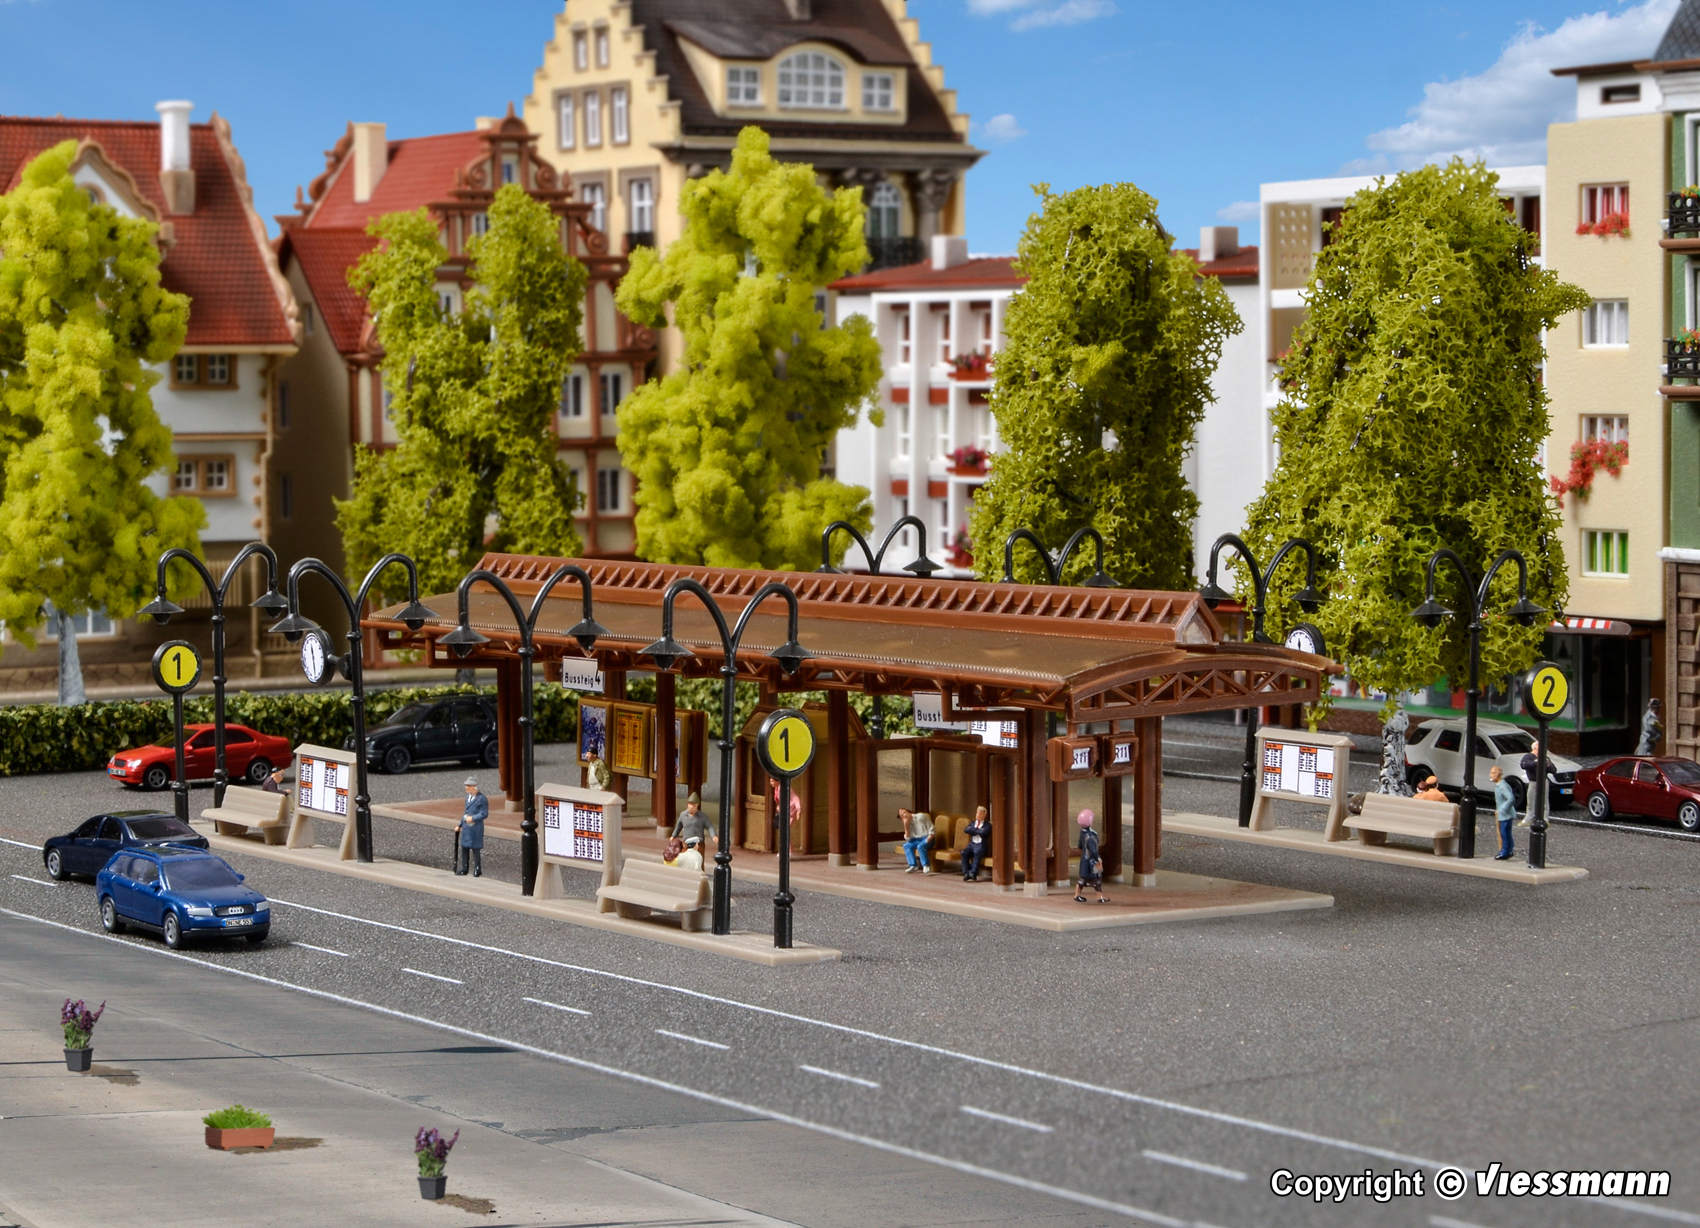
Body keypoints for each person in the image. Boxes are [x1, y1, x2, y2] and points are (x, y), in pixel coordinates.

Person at [1075, 809, 1109, 903]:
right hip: (1091, 862)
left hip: (1084, 860)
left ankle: (1077, 894)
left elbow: (1079, 846)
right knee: (1096, 879)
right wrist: (1097, 858)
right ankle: (1100, 897)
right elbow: (1093, 850)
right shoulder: (1091, 836)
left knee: (1082, 879)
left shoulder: (1083, 833)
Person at [457, 776, 486, 876]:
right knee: (464, 848)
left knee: (475, 849)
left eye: (468, 786)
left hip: (475, 827)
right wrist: (460, 824)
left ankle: (477, 869)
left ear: (474, 787)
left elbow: (484, 814)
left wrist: (473, 818)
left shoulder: (481, 799)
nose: (466, 788)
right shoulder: (467, 798)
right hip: (466, 827)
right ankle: (464, 868)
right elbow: (466, 812)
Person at [1490, 765, 1516, 861]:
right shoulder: (1499, 785)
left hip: (1506, 815)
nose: (1491, 775)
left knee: (1505, 833)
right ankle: (1507, 850)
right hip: (1503, 814)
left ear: (1498, 774)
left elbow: (1511, 798)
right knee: (1504, 832)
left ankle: (1505, 852)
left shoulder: (1502, 786)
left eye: (1493, 773)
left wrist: (1502, 810)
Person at [960, 805, 992, 882]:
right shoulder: (972, 823)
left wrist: (973, 830)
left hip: (981, 845)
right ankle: (966, 872)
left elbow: (984, 832)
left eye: (980, 813)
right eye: (977, 813)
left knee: (978, 853)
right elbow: (966, 830)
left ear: (984, 815)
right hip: (972, 844)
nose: (978, 815)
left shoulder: (987, 825)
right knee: (964, 852)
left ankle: (973, 872)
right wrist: (977, 830)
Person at [899, 807, 934, 873]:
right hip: (916, 840)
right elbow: (908, 839)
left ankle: (925, 865)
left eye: (904, 812)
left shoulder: (921, 817)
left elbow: (932, 829)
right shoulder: (907, 823)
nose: (904, 815)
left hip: (927, 837)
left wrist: (929, 838)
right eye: (902, 815)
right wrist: (906, 826)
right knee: (906, 846)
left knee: (920, 846)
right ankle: (913, 865)